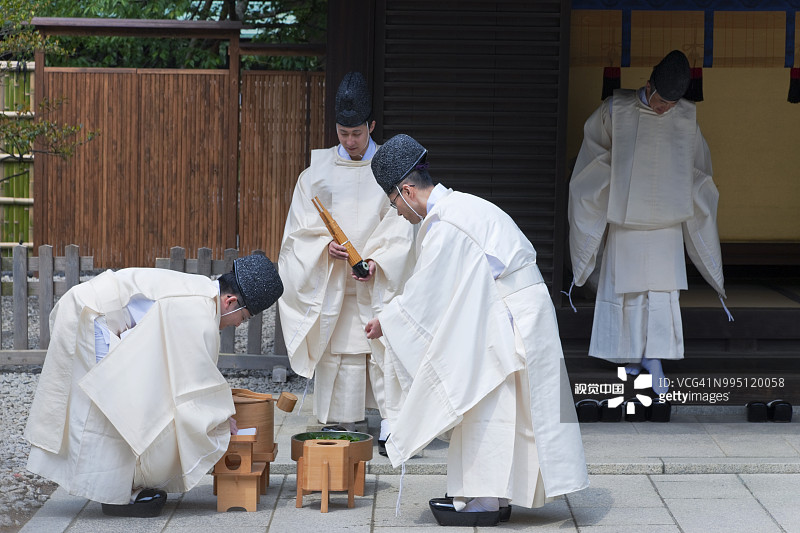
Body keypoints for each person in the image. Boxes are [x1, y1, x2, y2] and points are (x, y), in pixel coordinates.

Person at [364, 134, 589, 526]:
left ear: (407, 191)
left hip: (511, 316)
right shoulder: (460, 208)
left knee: (487, 401)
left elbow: (428, 294)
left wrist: (388, 321)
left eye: (393, 202)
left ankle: (486, 500)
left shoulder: (448, 224)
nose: (396, 212)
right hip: (515, 310)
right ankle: (493, 495)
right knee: (505, 407)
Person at [24, 254, 283, 517]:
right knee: (118, 403)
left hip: (98, 313)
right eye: (244, 318)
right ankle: (118, 496)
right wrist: (219, 417)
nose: (238, 325)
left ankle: (121, 488)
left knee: (133, 398)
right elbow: (192, 381)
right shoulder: (198, 310)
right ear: (230, 301)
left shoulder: (203, 294)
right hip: (91, 318)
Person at [567, 50, 727, 394]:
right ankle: (629, 355)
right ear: (649, 86)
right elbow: (592, 162)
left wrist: (694, 192)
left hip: (667, 225)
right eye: (661, 101)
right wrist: (618, 174)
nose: (665, 109)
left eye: (672, 104)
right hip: (626, 221)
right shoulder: (615, 110)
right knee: (627, 289)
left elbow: (698, 170)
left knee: (661, 291)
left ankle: (654, 357)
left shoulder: (686, 118)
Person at [278, 71, 415, 445]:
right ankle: (342, 423)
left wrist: (379, 261)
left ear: (371, 126)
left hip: (375, 277)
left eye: (357, 133)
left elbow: (401, 224)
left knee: (385, 347)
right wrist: (323, 247)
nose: (350, 141)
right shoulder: (315, 173)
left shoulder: (388, 167)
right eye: (343, 133)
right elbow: (299, 232)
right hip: (333, 281)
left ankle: (394, 425)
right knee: (340, 352)